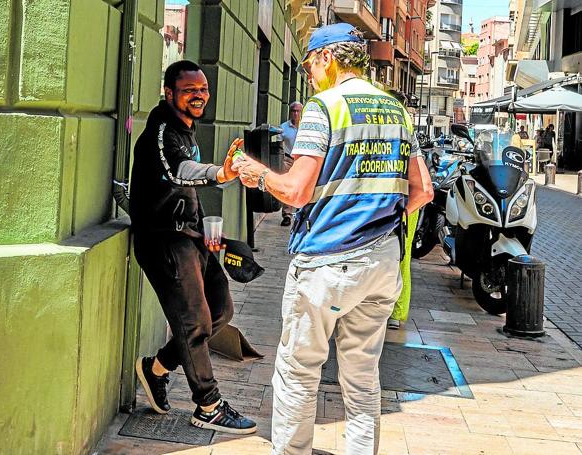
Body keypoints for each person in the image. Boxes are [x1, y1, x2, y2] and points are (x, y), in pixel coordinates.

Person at [234, 23, 433, 455]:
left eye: (309, 64)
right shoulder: (397, 110)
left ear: (327, 58)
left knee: (298, 372)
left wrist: (257, 173)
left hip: (327, 260)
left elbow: (296, 191)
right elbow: (422, 191)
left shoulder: (323, 107)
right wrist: (374, 214)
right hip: (382, 263)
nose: (308, 73)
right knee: (362, 381)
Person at [129, 60, 257, 435]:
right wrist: (221, 173)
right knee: (194, 322)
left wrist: (208, 231)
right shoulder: (162, 130)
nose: (199, 95)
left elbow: (182, 191)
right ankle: (208, 405)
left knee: (221, 309)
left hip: (191, 236)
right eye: (190, 90)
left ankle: (155, 370)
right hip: (164, 240)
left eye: (203, 89)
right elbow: (179, 172)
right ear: (170, 93)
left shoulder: (187, 127)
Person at [279, 101, 303, 226]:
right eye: (293, 111)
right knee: (287, 186)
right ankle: (287, 215)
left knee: (301, 186)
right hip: (287, 159)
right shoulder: (283, 127)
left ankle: (301, 212)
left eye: (298, 111)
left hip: (302, 160)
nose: (295, 113)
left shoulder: (306, 127)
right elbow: (277, 143)